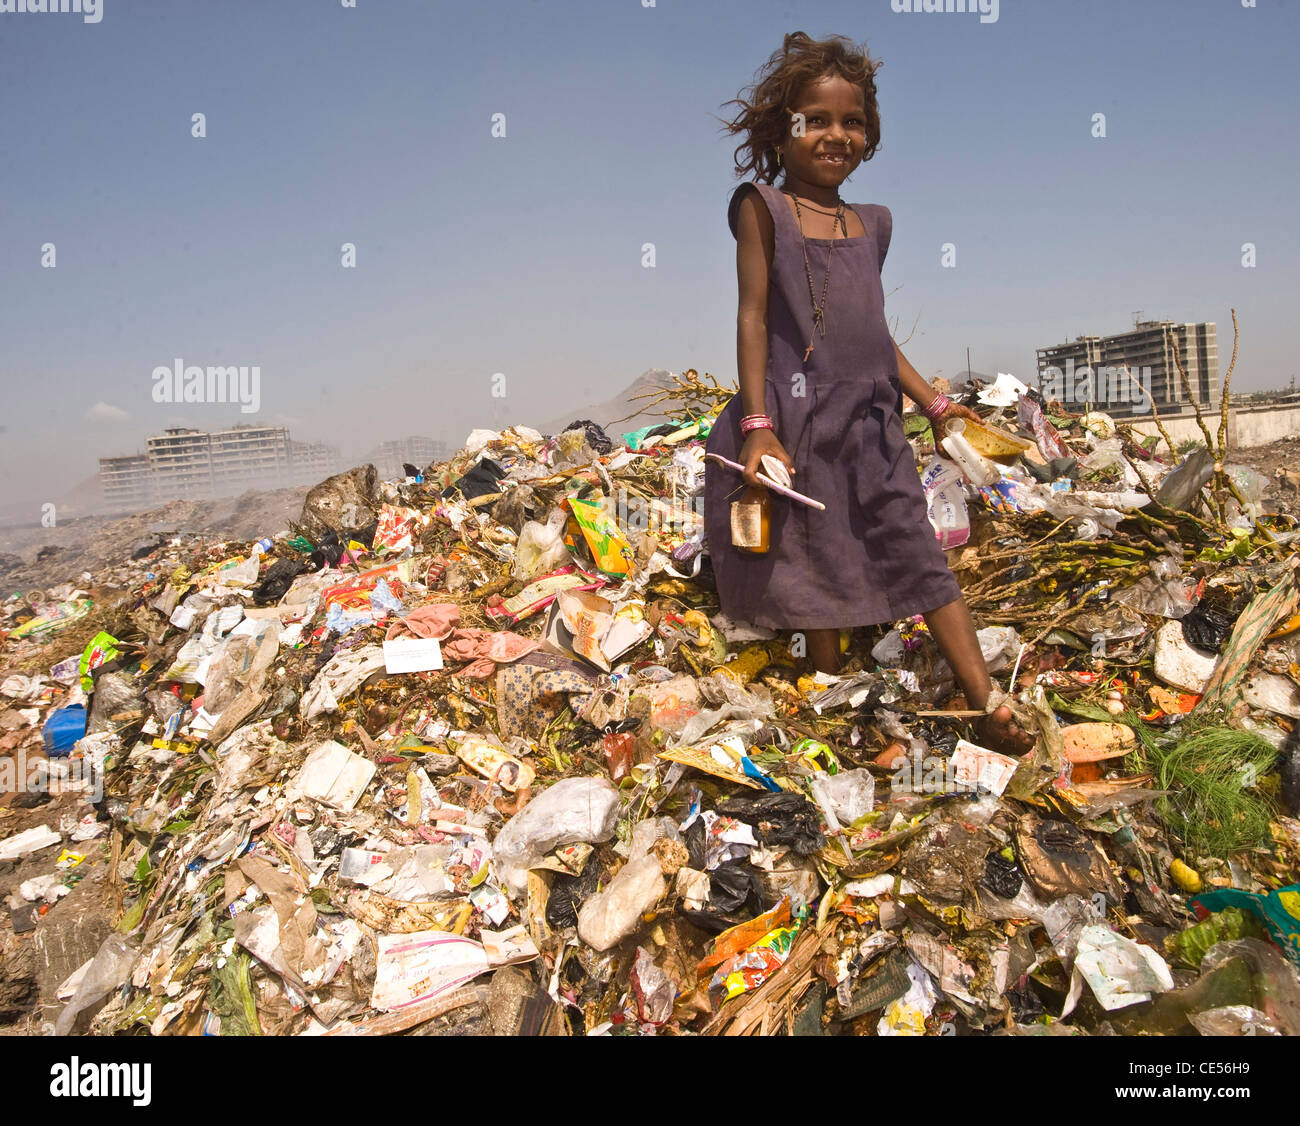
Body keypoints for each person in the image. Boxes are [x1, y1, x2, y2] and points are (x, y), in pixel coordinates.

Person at [704, 31, 1029, 753]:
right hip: (794, 412)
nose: (835, 135)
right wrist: (757, 423)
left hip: (871, 418)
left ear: (870, 134)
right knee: (814, 553)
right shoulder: (763, 209)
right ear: (782, 129)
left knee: (911, 543)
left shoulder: (871, 224)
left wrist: (937, 405)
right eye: (814, 120)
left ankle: (984, 699)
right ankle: (831, 693)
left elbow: (875, 333)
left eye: (851, 122)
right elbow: (752, 315)